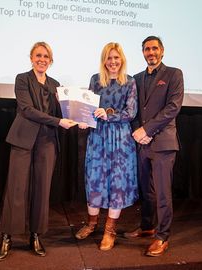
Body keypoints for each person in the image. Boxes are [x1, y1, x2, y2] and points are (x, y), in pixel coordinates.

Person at [0, 41, 77, 261]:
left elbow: (64, 110)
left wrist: (80, 117)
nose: (42, 60)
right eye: (38, 55)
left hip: (47, 142)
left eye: (46, 57)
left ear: (51, 60)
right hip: (23, 139)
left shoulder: (56, 84)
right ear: (31, 58)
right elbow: (27, 110)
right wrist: (59, 121)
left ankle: (35, 235)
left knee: (42, 190)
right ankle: (7, 236)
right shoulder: (22, 79)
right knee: (16, 188)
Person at [124, 36, 184, 256]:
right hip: (141, 143)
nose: (151, 52)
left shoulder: (174, 74)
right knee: (145, 190)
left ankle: (162, 236)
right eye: (147, 49)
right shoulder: (136, 78)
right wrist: (138, 132)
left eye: (154, 48)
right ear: (143, 52)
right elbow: (133, 110)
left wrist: (147, 130)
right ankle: (148, 227)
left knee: (162, 192)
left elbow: (173, 108)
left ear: (162, 51)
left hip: (163, 143)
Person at [75, 42, 138, 251]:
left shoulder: (129, 82)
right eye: (109, 58)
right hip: (98, 136)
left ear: (122, 60)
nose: (113, 62)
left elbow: (131, 113)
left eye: (116, 58)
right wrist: (84, 118)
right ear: (104, 60)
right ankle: (92, 224)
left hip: (120, 139)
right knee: (95, 179)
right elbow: (88, 106)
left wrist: (109, 113)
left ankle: (109, 230)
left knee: (117, 183)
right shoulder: (96, 80)